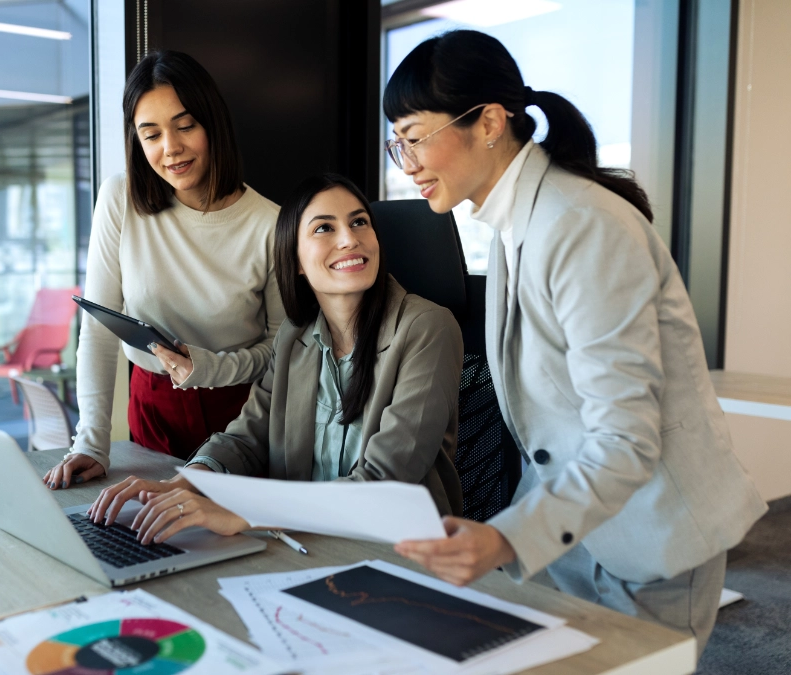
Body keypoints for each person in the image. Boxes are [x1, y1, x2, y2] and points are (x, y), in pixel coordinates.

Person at [382, 30, 766, 658]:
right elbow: (549, 430)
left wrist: (507, 539)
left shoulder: (581, 225)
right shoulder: (515, 224)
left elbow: (625, 436)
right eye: (397, 145)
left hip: (649, 544)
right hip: (571, 539)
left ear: (489, 123)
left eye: (416, 136)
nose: (409, 163)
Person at [85, 173, 464, 543]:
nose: (350, 239)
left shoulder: (427, 329)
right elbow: (249, 438)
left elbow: (384, 485)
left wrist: (242, 516)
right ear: (295, 260)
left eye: (359, 222)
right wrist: (185, 481)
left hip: (400, 554)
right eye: (324, 228)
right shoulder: (295, 336)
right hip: (303, 544)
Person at [43, 51, 285, 490]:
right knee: (146, 538)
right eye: (150, 134)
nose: (169, 148)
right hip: (152, 407)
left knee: (234, 548)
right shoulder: (121, 197)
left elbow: (282, 351)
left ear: (213, 123)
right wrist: (90, 445)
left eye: (185, 126)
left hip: (241, 416)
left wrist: (209, 370)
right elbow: (98, 330)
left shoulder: (270, 223)